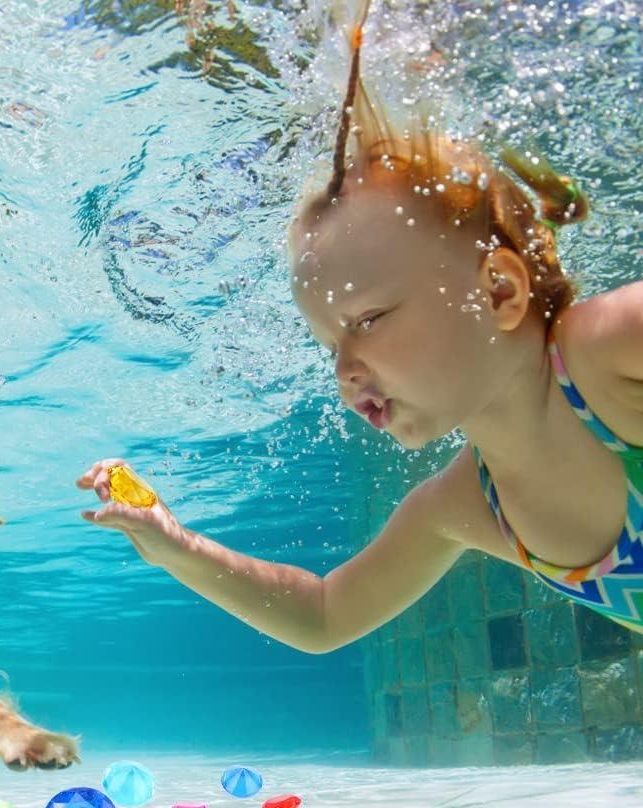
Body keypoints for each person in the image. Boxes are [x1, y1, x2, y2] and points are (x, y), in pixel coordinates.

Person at [77, 2, 643, 650]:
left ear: (499, 290)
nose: (343, 372)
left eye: (368, 318)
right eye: (329, 344)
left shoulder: (607, 353)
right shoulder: (465, 506)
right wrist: (175, 546)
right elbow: (325, 615)